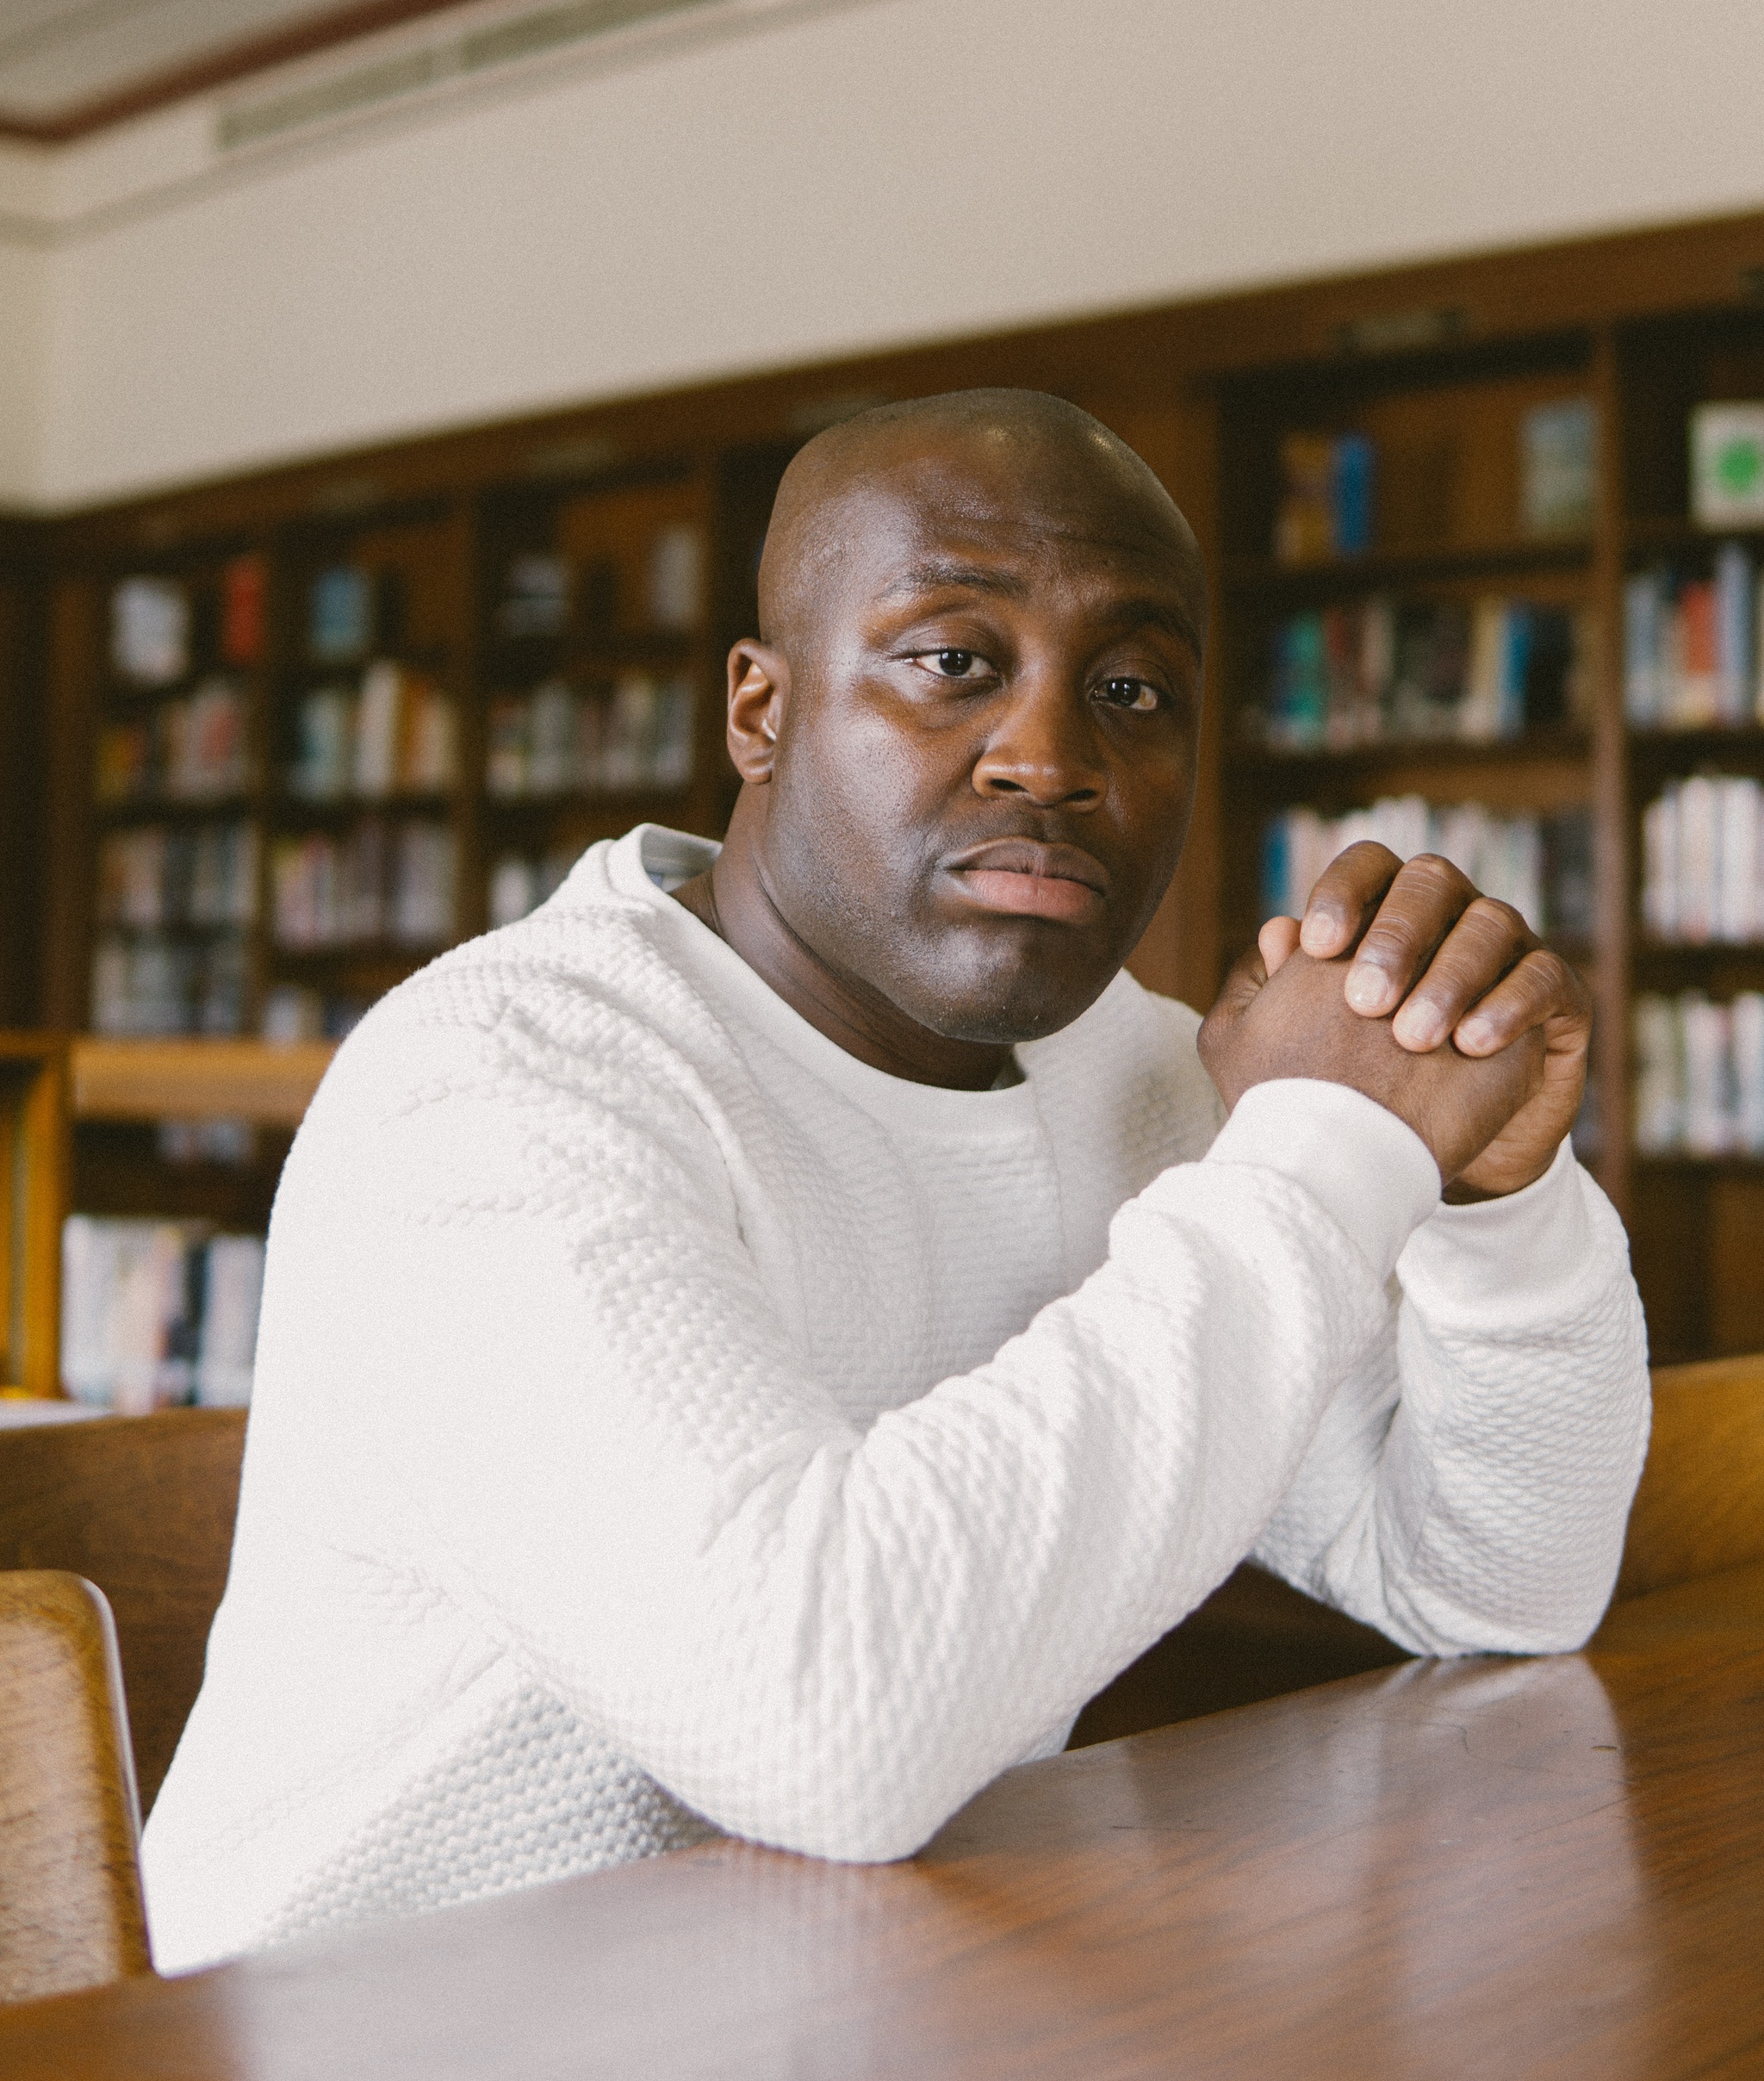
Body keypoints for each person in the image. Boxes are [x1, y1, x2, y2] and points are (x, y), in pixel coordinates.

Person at [142, 390, 1649, 1972]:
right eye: (952, 659)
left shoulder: (1135, 1075)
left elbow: (1491, 1581)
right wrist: (1330, 1153)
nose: (1053, 756)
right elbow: (819, 1721)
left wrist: (1491, 1202)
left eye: (1133, 687)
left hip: (850, 2002)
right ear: (761, 710)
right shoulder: (503, 1077)